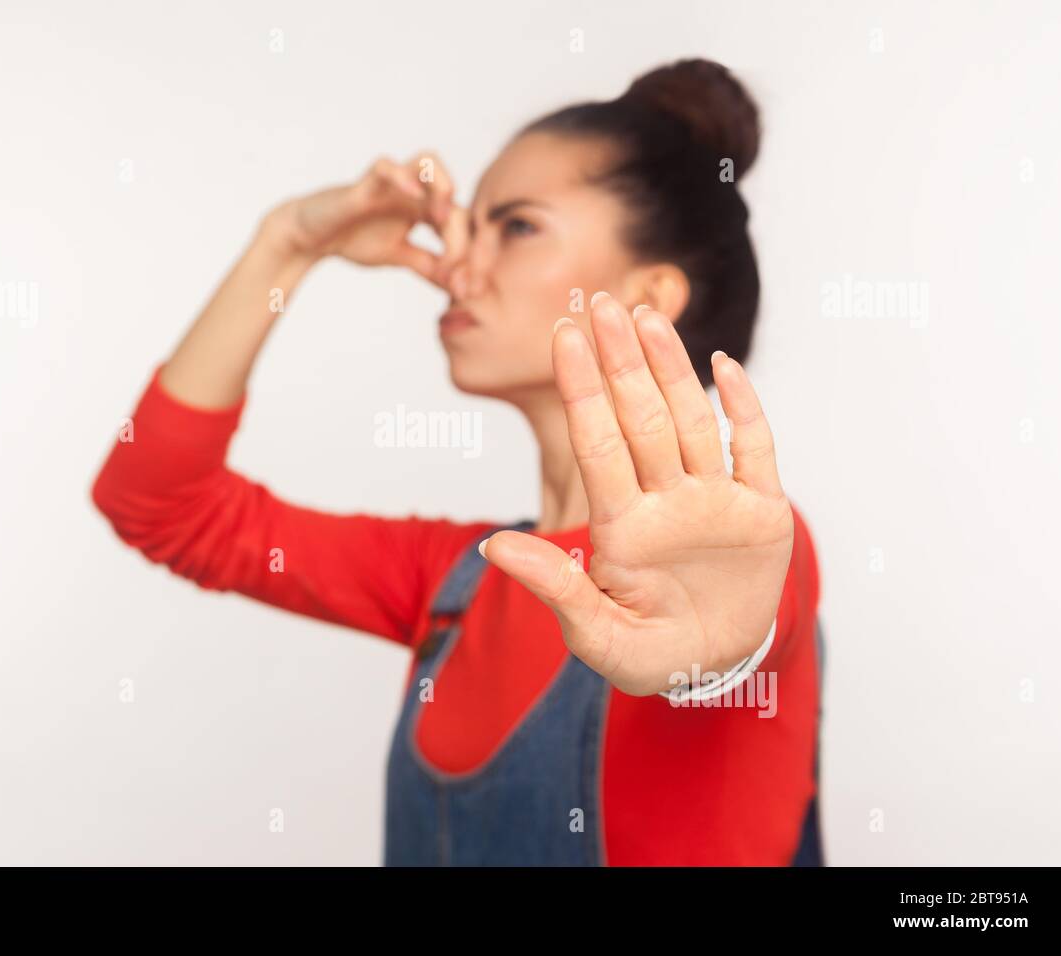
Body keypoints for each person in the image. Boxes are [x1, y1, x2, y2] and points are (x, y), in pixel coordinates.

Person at [91, 58, 824, 866]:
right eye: (464, 229)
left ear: (647, 293)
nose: (454, 268)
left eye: (514, 226)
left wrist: (711, 661)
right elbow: (157, 501)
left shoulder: (743, 560)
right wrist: (290, 242)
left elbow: (736, 636)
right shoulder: (465, 579)